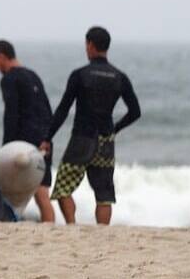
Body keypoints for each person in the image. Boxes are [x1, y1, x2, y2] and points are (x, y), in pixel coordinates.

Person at [42, 26, 141, 225]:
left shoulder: (80, 75)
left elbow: (63, 109)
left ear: (90, 45)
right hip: (106, 140)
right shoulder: (119, 77)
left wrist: (47, 137)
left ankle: (71, 224)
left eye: (86, 45)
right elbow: (135, 112)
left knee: (63, 187)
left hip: (81, 138)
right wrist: (115, 128)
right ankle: (102, 232)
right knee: (104, 193)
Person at [0, 40, 56, 223]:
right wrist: (48, 138)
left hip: (23, 143)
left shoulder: (9, 79)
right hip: (43, 140)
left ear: (1, 55)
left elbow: (11, 114)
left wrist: (7, 146)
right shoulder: (32, 75)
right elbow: (47, 110)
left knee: (11, 187)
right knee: (42, 192)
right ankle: (50, 228)